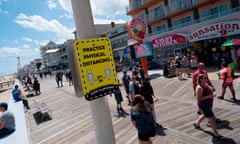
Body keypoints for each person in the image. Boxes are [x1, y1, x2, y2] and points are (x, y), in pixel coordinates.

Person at [193, 74, 224, 139]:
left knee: (204, 114)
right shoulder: (199, 87)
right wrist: (209, 96)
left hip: (209, 104)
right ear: (200, 79)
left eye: (206, 78)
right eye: (204, 78)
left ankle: (197, 124)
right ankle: (216, 133)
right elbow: (199, 98)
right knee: (212, 119)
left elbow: (210, 89)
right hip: (204, 105)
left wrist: (213, 93)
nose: (206, 79)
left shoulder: (206, 84)